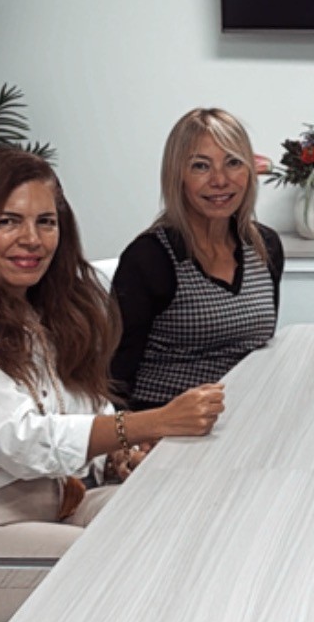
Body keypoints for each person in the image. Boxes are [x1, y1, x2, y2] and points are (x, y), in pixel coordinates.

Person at [0, 149, 224, 622]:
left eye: (46, 221)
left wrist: (116, 457)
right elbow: (19, 440)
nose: (32, 239)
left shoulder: (43, 309)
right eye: (7, 221)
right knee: (130, 569)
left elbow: (81, 408)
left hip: (57, 503)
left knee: (190, 523)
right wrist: (147, 423)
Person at [111, 108, 284, 409]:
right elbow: (116, 373)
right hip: (165, 420)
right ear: (177, 175)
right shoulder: (149, 258)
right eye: (201, 166)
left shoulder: (265, 246)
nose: (220, 180)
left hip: (245, 411)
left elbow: (261, 344)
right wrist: (129, 435)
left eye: (233, 162)